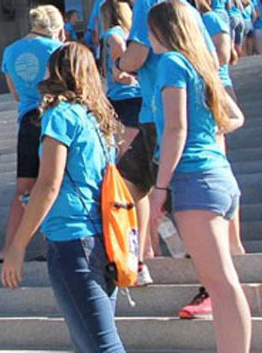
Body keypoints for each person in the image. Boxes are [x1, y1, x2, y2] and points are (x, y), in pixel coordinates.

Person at [0, 42, 128, 353]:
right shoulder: (95, 120)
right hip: (99, 239)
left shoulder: (60, 114)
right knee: (89, 341)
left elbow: (48, 184)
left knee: (101, 346)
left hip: (71, 241)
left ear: (56, 71)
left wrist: (16, 246)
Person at [143, 2, 252, 351]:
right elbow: (235, 117)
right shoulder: (201, 62)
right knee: (223, 282)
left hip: (194, 178)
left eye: (149, 30)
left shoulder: (172, 63)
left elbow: (175, 128)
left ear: (161, 29)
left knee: (220, 284)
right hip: (218, 174)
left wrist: (160, 187)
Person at [0, 4, 67, 265]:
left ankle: (7, 249)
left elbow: (15, 94)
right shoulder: (58, 49)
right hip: (54, 118)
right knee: (53, 182)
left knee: (23, 188)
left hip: (28, 121)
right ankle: (51, 246)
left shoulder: (10, 51)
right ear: (58, 28)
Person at [103, 0, 161, 264]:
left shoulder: (114, 32)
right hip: (144, 105)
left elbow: (129, 60)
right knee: (135, 184)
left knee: (135, 183)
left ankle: (143, 249)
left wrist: (119, 67)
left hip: (133, 106)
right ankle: (144, 250)